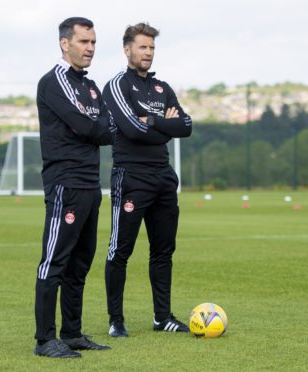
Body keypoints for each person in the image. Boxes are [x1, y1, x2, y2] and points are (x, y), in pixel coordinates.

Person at [102, 23, 193, 337]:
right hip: (131, 178)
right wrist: (163, 125)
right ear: (127, 49)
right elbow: (131, 129)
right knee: (120, 250)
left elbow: (186, 125)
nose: (148, 53)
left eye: (151, 48)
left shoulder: (162, 88)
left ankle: (162, 317)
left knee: (163, 251)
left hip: (163, 178)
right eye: (142, 47)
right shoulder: (116, 85)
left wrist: (152, 120)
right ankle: (116, 320)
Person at [34, 17, 114, 357]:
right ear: (65, 44)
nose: (91, 48)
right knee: (54, 262)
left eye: (93, 42)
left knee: (80, 263)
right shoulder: (54, 81)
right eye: (84, 41)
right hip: (65, 183)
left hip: (90, 185)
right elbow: (86, 125)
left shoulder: (91, 87)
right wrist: (94, 124)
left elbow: (108, 128)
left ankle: (72, 333)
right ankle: (44, 340)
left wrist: (94, 124)